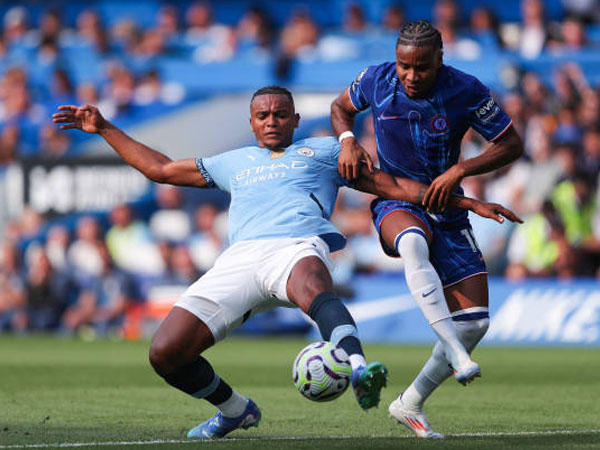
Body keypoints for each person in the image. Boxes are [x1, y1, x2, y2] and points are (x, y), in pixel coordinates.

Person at [53, 85, 519, 440]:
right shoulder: (232, 162)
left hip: (297, 246)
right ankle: (236, 411)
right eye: (262, 116)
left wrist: (466, 203)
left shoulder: (324, 150)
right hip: (239, 260)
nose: (271, 121)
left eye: (280, 114)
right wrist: (106, 127)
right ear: (252, 122)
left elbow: (396, 189)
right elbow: (159, 169)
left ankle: (358, 368)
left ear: (295, 119)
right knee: (165, 353)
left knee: (315, 286)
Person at [330, 20, 524, 439]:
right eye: (405, 66)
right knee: (413, 242)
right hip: (397, 199)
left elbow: (512, 144)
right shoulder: (377, 79)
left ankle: (410, 402)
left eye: (421, 68)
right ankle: (455, 353)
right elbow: (339, 107)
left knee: (474, 324)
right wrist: (347, 139)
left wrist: (461, 169)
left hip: (446, 206)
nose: (411, 76)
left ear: (440, 61)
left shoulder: (466, 90)